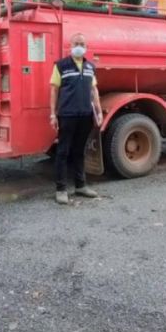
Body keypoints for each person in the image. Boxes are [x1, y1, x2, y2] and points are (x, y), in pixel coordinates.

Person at [49, 32, 103, 205]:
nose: (79, 46)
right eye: (76, 43)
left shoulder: (90, 67)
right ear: (70, 46)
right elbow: (54, 90)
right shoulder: (61, 66)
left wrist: (99, 111)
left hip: (85, 114)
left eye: (82, 43)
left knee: (79, 151)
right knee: (63, 152)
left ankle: (81, 186)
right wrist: (52, 114)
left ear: (86, 47)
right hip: (67, 115)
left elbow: (94, 90)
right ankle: (61, 189)